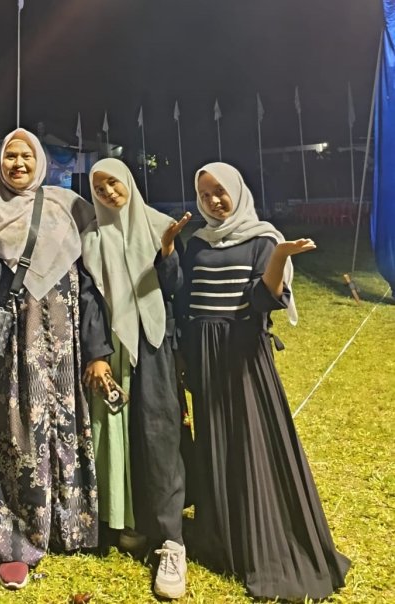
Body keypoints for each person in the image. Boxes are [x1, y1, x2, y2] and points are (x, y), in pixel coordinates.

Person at [179, 162, 350, 600]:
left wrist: (279, 257)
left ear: (237, 191)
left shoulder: (263, 239)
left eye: (220, 191)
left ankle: (264, 539)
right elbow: (185, 301)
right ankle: (223, 536)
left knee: (251, 442)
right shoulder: (196, 243)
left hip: (242, 352)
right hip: (203, 355)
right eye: (205, 194)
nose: (213, 201)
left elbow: (261, 301)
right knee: (215, 441)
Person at [0, 128, 110, 590]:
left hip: (66, 338)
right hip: (17, 342)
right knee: (16, 431)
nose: (18, 163)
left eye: (25, 155)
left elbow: (90, 281)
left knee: (67, 423)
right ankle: (15, 540)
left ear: (39, 160)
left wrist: (97, 348)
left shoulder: (68, 206)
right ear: (0, 162)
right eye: (10, 156)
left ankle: (69, 525)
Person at [81, 158, 191, 600]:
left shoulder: (159, 226)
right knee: (117, 435)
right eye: (99, 188)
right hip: (114, 346)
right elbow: (90, 298)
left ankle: (171, 540)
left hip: (155, 342)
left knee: (159, 435)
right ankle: (129, 521)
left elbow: (175, 289)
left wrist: (167, 252)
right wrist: (97, 353)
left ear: (128, 181)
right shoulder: (91, 238)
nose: (108, 192)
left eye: (114, 183)